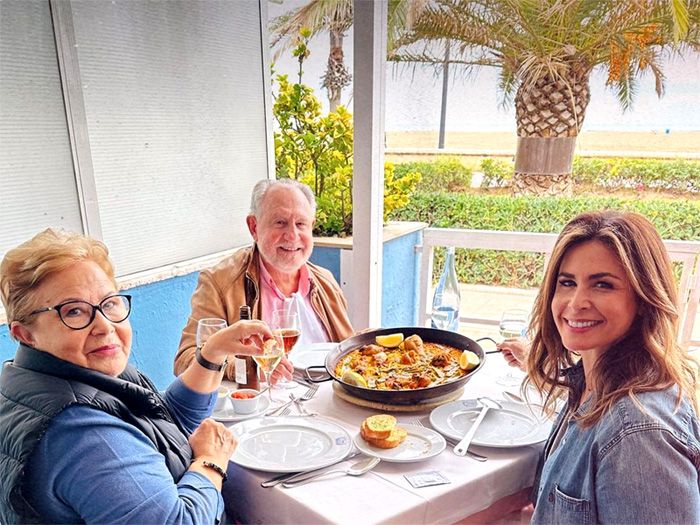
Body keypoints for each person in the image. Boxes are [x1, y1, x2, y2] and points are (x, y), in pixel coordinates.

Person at [0, 229, 290, 523]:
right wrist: (210, 462)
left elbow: (162, 422)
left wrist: (212, 354)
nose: (104, 325)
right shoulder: (85, 434)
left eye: (109, 303)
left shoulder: (49, 377)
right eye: (74, 311)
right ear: (26, 334)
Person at [520, 211, 699, 523]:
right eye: (567, 282)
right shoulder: (589, 382)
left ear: (644, 299)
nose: (576, 302)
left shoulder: (638, 434)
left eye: (602, 284)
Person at [174, 178, 354, 378]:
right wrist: (250, 367)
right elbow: (186, 361)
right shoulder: (220, 283)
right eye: (280, 222)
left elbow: (349, 353)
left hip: (325, 402)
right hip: (260, 406)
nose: (292, 235)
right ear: (254, 227)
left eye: (301, 224)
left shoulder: (324, 281)